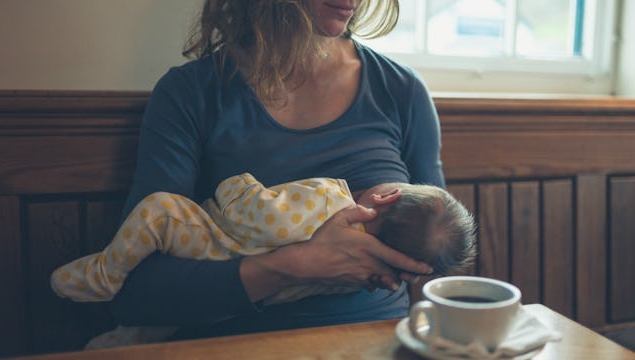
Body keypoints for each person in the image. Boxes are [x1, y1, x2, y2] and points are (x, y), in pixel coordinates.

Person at [106, 0, 446, 343]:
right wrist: (295, 266)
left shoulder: (401, 90)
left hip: (378, 343)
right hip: (239, 346)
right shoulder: (190, 93)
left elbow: (437, 257)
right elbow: (137, 293)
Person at [51, 173, 476, 305]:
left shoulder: (330, 198)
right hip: (248, 305)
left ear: (386, 197)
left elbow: (250, 214)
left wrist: (237, 183)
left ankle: (103, 275)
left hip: (209, 243)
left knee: (160, 209)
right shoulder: (361, 274)